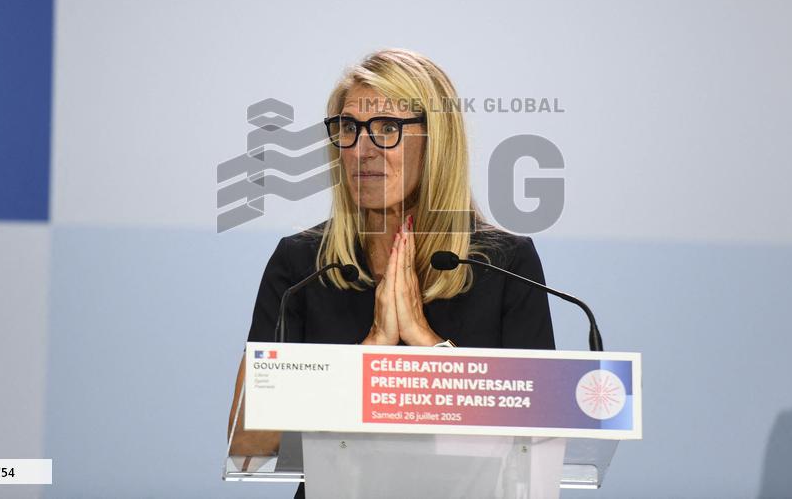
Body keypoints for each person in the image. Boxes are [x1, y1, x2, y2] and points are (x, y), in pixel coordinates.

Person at [226, 49, 556, 487]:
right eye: (349, 128)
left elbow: (536, 444)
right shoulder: (302, 266)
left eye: (387, 128)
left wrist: (427, 343)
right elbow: (247, 449)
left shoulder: (506, 264)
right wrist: (371, 352)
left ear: (436, 142)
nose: (362, 150)